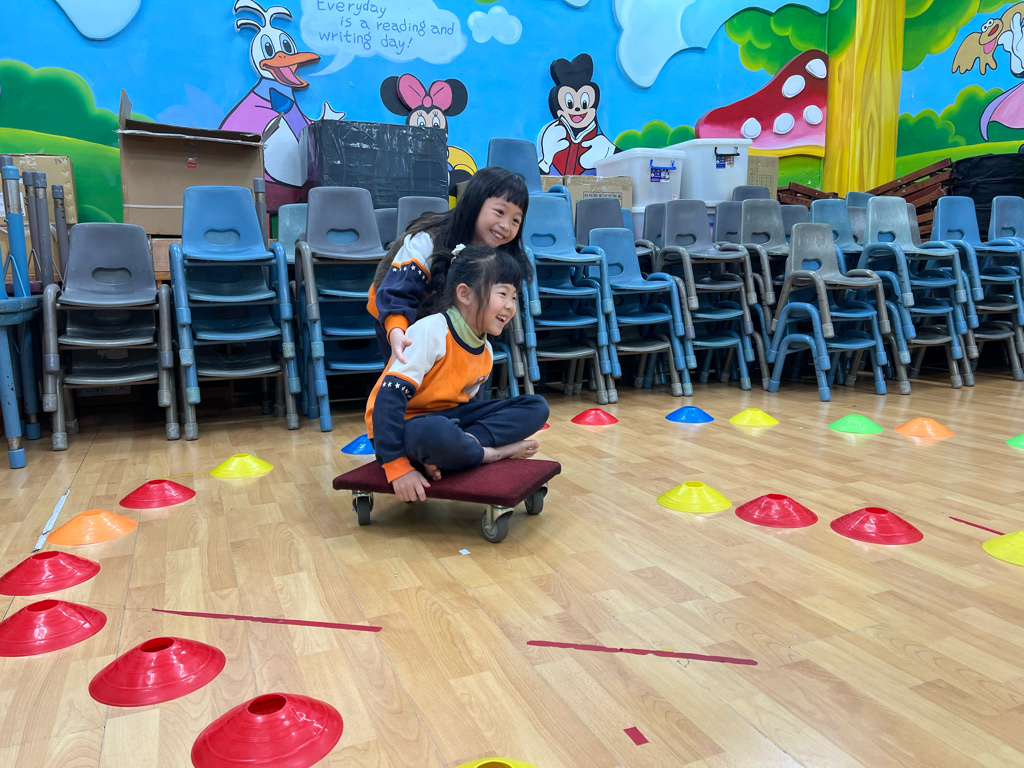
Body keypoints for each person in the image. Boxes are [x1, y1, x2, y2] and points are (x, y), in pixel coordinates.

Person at [365, 245, 549, 502]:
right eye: (502, 294)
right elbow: (388, 400)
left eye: (514, 297)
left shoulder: (485, 350)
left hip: (448, 423)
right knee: (437, 433)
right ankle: (491, 454)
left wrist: (460, 439)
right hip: (400, 427)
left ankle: (462, 448)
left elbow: (467, 408)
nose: (509, 306)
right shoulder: (431, 331)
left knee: (536, 406)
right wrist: (396, 467)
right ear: (465, 294)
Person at [367, 166, 530, 363]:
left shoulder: (499, 255)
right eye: (500, 212)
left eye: (515, 220)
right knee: (409, 377)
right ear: (474, 203)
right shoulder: (428, 240)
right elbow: (397, 293)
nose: (506, 225)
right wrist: (396, 331)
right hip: (396, 316)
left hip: (446, 325)